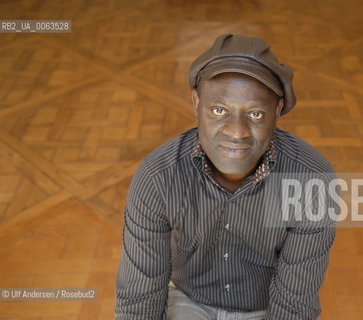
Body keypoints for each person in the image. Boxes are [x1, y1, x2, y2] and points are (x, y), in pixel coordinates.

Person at [115, 33, 336, 320]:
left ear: (277, 110)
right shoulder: (158, 176)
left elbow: (293, 307)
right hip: (187, 301)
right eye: (219, 110)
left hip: (267, 308)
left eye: (255, 114)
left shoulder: (312, 180)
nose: (237, 131)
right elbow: (139, 298)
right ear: (196, 103)